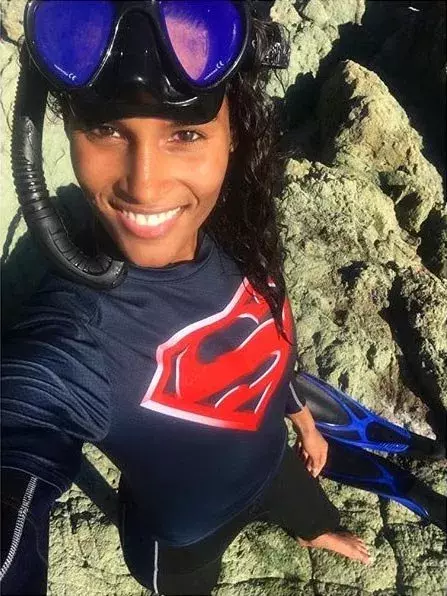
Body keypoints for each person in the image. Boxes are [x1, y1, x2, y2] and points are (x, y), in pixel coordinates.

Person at [1, 2, 371, 595]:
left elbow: (266, 343)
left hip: (275, 465)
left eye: (186, 133)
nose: (143, 184)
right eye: (106, 129)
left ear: (234, 134)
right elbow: (22, 422)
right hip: (180, 545)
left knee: (307, 510)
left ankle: (313, 528)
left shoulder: (240, 231)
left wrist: (302, 418)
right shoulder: (74, 341)